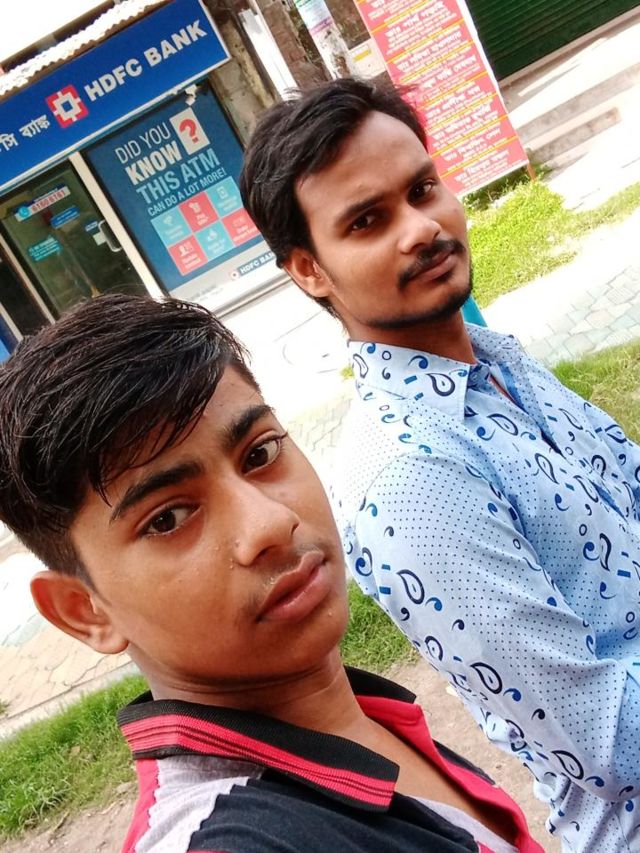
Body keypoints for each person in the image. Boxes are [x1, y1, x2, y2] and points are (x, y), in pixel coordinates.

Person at [239, 77, 640, 852]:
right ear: (310, 269)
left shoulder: (497, 363)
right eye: (367, 220)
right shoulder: (410, 476)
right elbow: (607, 739)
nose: (421, 228)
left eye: (422, 190)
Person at [0, 294, 544, 853]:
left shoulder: (353, 715)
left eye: (259, 455)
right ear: (84, 611)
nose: (271, 523)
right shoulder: (230, 840)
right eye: (168, 518)